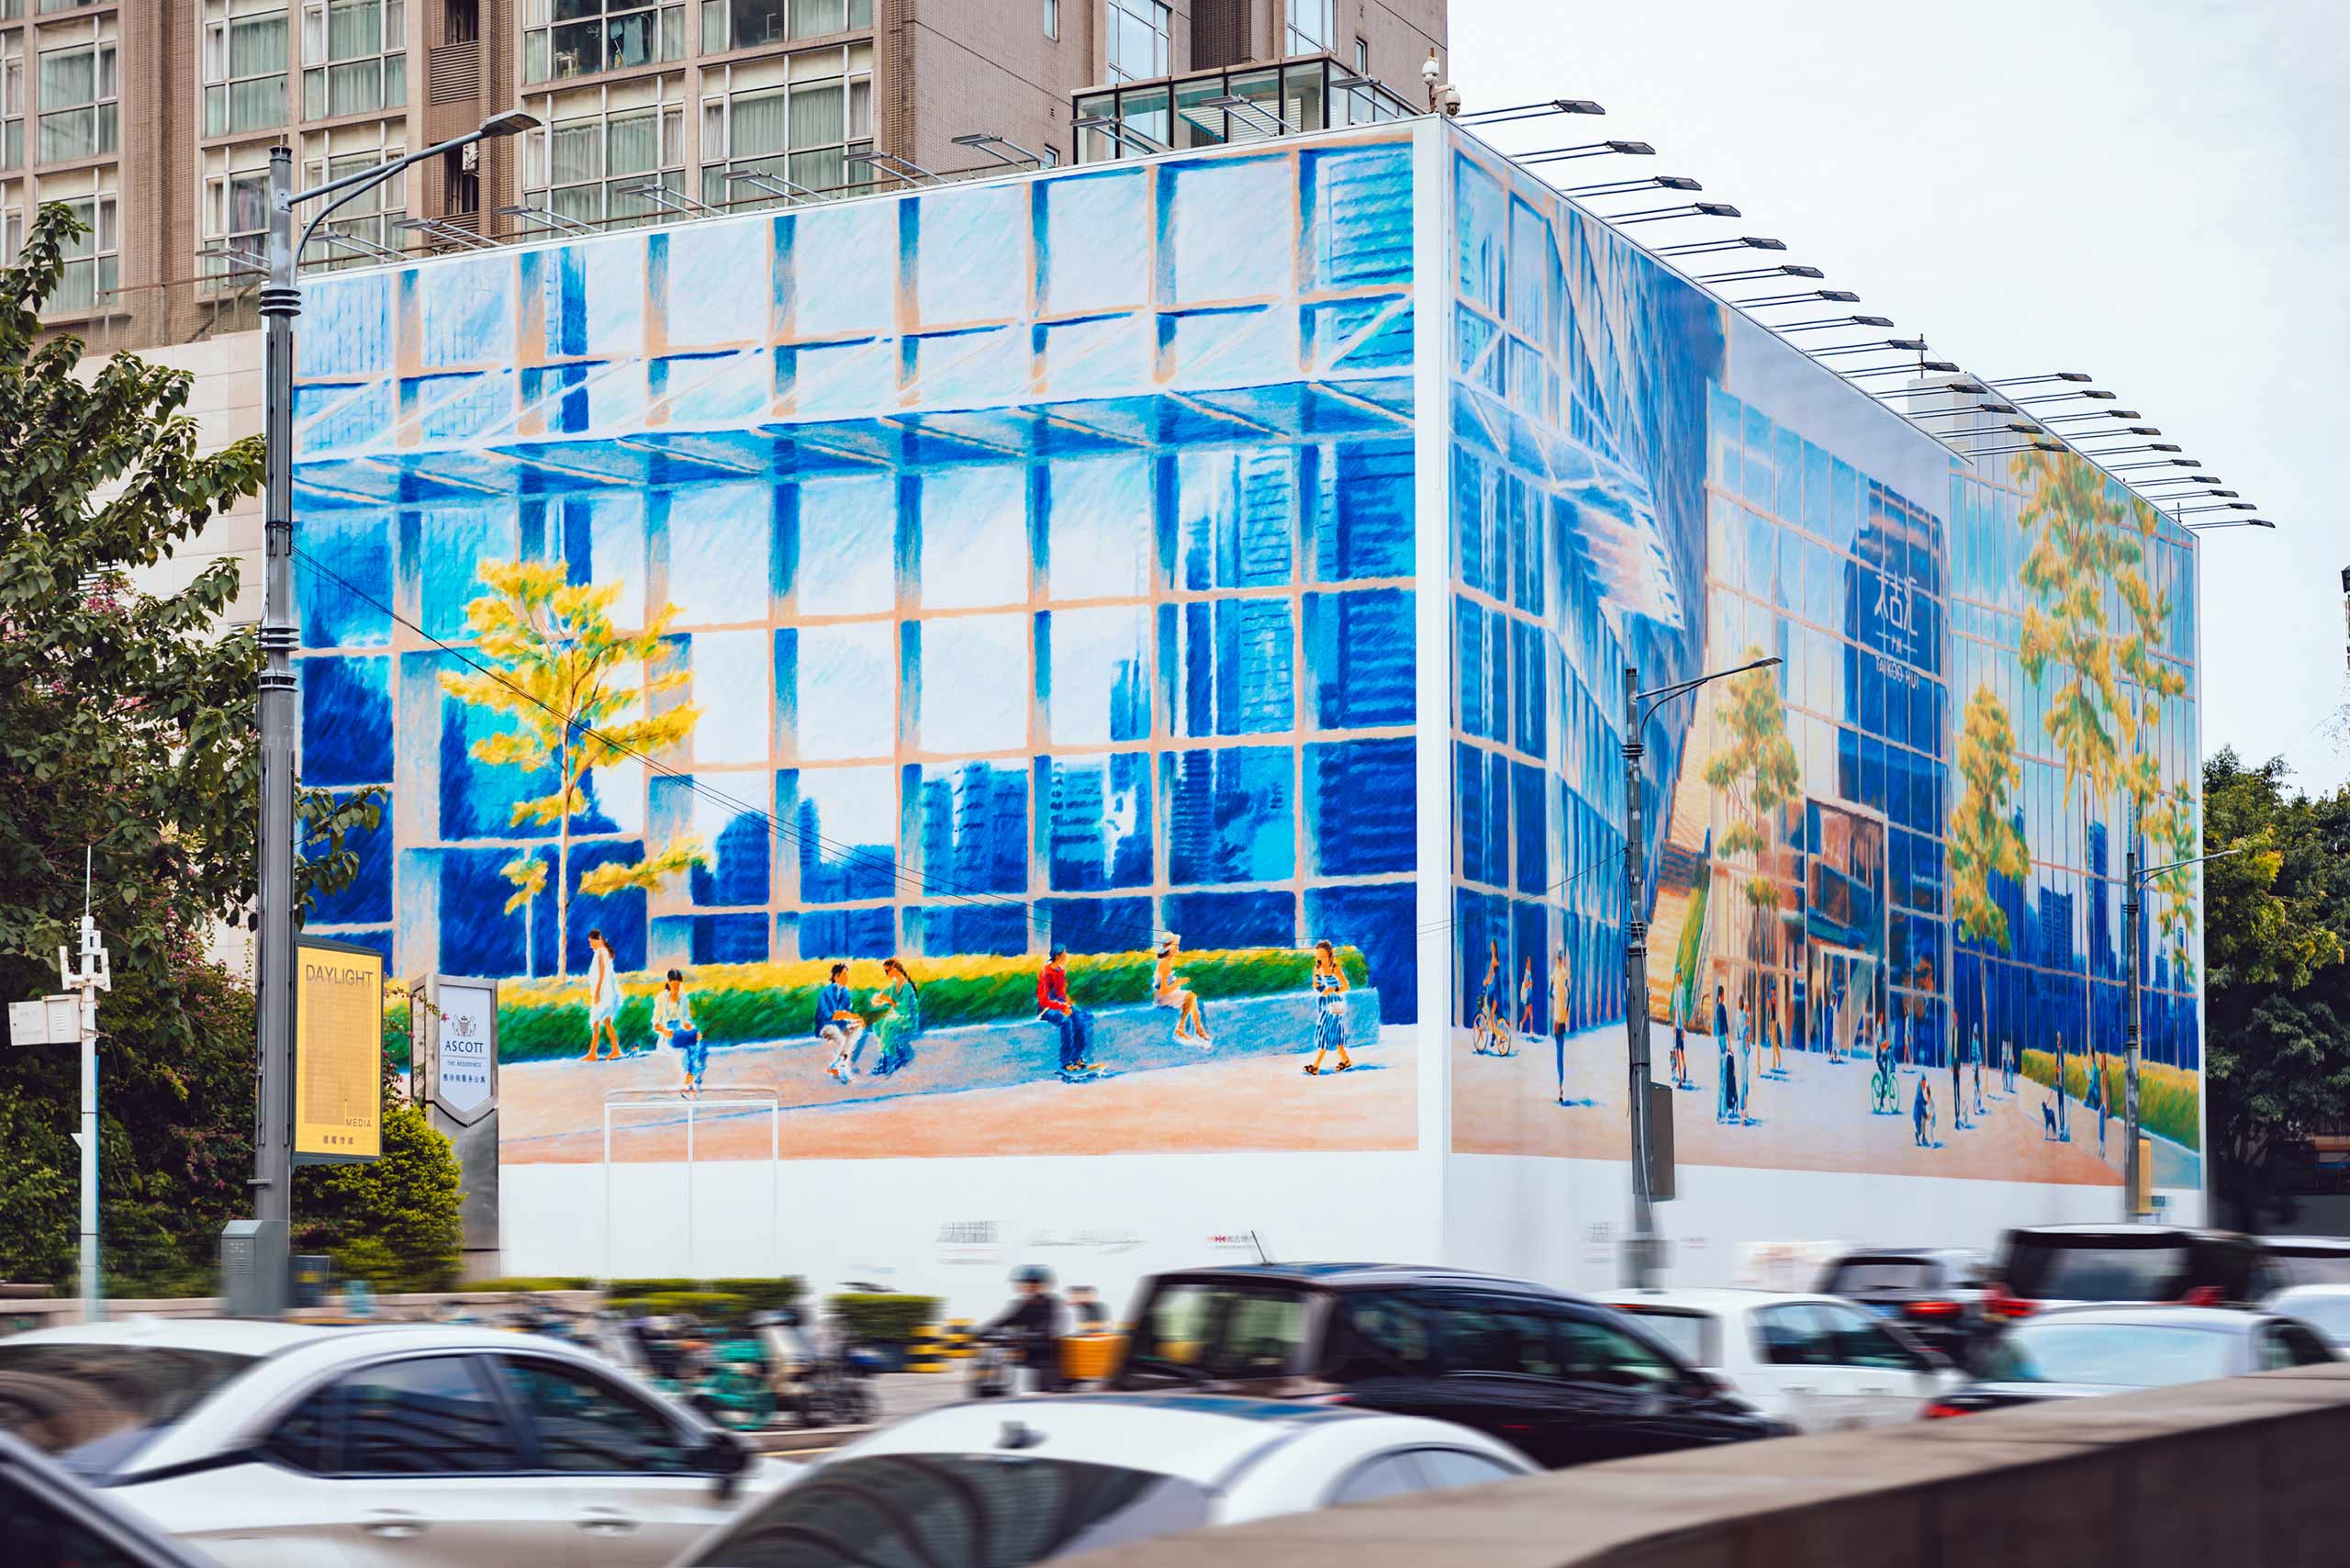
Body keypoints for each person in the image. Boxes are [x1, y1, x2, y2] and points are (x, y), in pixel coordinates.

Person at [979, 1264, 1066, 1394]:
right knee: (1001, 1369)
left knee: (1042, 1390)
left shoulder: (1052, 1303)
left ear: (1043, 1285)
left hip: (1047, 1359)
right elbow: (1006, 1319)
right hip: (1028, 1355)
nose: (1025, 1287)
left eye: (1030, 1284)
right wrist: (983, 1331)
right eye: (1024, 1283)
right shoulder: (1024, 1304)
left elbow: (1047, 1329)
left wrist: (1026, 1336)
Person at [1037, 946, 1099, 1080]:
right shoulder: (1046, 972)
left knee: (1081, 1018)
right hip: (1046, 1009)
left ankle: (1077, 1057)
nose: (1066, 957)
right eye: (1064, 955)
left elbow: (1061, 994)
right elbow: (1043, 1000)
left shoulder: (1060, 971)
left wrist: (1068, 1005)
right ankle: (1065, 1062)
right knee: (1066, 1022)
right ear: (1057, 956)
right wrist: (1062, 1006)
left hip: (1060, 1006)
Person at [1304, 939, 1354, 1076]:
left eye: (1323, 955)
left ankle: (1315, 1066)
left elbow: (1346, 986)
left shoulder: (1335, 968)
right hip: (1324, 1002)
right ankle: (1345, 1060)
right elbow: (1316, 985)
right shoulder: (1317, 969)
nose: (1321, 958)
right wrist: (1323, 990)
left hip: (1336, 1002)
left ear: (1329, 955)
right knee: (1334, 1031)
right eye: (1319, 955)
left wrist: (1333, 989)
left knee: (1325, 1030)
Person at [652, 968, 705, 1097]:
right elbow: (656, 1024)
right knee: (689, 1044)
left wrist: (691, 1028)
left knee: (694, 1043)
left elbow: (686, 1020)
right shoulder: (661, 998)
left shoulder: (684, 998)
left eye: (678, 985)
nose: (676, 988)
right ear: (669, 983)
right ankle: (690, 1078)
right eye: (674, 985)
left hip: (681, 1030)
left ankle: (689, 1077)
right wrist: (665, 1031)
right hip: (669, 1032)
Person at [1154, 933, 1213, 1048]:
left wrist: (1178, 981)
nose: (1178, 949)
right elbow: (1164, 990)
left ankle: (1198, 1030)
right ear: (1170, 949)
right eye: (1176, 946)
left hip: (1165, 994)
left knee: (1192, 997)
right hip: (1162, 997)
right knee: (1191, 996)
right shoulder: (1165, 965)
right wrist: (1179, 983)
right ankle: (1184, 1028)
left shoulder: (1166, 963)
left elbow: (1167, 983)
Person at [869, 957, 922, 1077]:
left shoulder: (906, 986)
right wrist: (878, 999)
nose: (886, 974)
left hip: (908, 1019)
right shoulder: (895, 985)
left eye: (887, 971)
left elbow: (904, 1009)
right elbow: (883, 995)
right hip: (898, 1018)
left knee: (888, 1024)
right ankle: (896, 1052)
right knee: (877, 1026)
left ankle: (886, 1059)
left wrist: (890, 1001)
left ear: (895, 969)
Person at [817, 962, 866, 1083]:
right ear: (836, 976)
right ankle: (842, 1066)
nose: (846, 978)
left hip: (841, 1026)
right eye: (844, 975)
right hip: (826, 1026)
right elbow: (830, 1015)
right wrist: (850, 1016)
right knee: (842, 1039)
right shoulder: (826, 992)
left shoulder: (845, 992)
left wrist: (856, 1020)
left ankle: (838, 1064)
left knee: (857, 1029)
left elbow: (846, 1013)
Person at [582, 927, 622, 1061]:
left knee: (596, 1022)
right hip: (607, 992)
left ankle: (593, 1053)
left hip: (604, 993)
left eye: (591, 942)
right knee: (606, 1022)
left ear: (598, 939)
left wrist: (597, 992)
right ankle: (615, 1049)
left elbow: (602, 974)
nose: (590, 945)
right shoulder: (603, 952)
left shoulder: (601, 952)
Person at [1552, 946, 1575, 1096]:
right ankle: (1561, 1085)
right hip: (1560, 1017)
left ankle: (1560, 1085)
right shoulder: (1563, 973)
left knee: (1559, 1053)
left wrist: (1555, 997)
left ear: (1557, 957)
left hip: (1557, 1018)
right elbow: (1569, 996)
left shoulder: (1556, 972)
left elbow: (1550, 992)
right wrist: (1566, 1015)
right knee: (1560, 1051)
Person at [1714, 984, 1738, 1124]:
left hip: (1720, 1041)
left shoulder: (1718, 1008)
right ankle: (1720, 1113)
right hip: (1723, 1041)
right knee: (1723, 1079)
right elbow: (1726, 1028)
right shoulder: (1721, 1008)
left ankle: (1721, 1111)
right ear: (1721, 995)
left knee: (1722, 1079)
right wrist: (1729, 1046)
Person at [1734, 994, 1754, 1125]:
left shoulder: (1737, 1016)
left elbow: (1737, 1034)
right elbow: (1747, 1035)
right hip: (1744, 1049)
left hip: (1739, 1048)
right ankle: (1744, 1110)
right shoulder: (1746, 1018)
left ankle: (1743, 1110)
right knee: (1745, 1080)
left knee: (1742, 1078)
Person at [2088, 1045, 2108, 1155]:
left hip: (2104, 1104)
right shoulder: (2102, 1074)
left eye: (2103, 1061)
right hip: (2103, 1104)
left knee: (2101, 1126)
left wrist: (2106, 1106)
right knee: (2100, 1125)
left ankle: (2102, 1148)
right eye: (2102, 1061)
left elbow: (2106, 1091)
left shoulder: (2104, 1074)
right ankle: (2101, 1147)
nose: (2102, 1063)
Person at [1914, 1073, 1935, 1148]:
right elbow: (1921, 1102)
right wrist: (1926, 1115)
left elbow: (1923, 1100)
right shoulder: (1919, 1091)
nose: (1924, 1083)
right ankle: (1918, 1137)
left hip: (1920, 1111)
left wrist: (1926, 1102)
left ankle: (1923, 1138)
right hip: (1918, 1112)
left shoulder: (1920, 1089)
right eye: (1924, 1082)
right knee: (1920, 1128)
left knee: (1923, 1124)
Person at [1516, 956, 1536, 1036]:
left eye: (1530, 962)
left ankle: (1521, 1023)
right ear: (1526, 963)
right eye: (1529, 962)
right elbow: (1525, 984)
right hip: (1527, 997)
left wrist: (1531, 984)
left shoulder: (1529, 972)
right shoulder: (1526, 972)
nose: (1530, 963)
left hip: (1529, 995)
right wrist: (1530, 983)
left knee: (1527, 1014)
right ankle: (1531, 1031)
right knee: (1531, 1016)